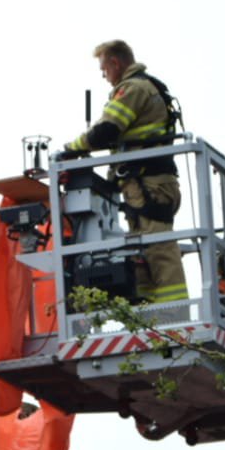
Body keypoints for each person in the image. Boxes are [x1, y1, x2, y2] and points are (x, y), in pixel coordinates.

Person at [57, 40, 188, 305]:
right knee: (143, 253)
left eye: (104, 69)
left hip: (148, 185)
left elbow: (106, 131)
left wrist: (71, 149)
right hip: (145, 185)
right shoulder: (145, 87)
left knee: (159, 251)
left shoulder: (131, 89)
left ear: (115, 63)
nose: (104, 76)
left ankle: (174, 317)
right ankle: (154, 316)